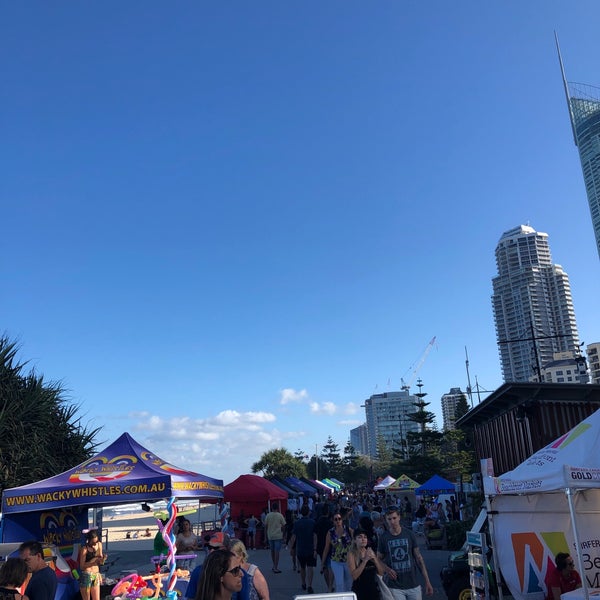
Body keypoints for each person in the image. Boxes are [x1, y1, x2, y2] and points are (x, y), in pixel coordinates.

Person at [377, 507, 433, 600]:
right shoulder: (383, 538)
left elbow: (419, 558)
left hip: (413, 584)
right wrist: (387, 569)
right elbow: (378, 559)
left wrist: (427, 581)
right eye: (389, 519)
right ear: (386, 520)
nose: (392, 521)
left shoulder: (409, 534)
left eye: (394, 518)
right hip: (395, 586)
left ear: (399, 517)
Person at [185, 532, 230, 600]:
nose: (211, 551)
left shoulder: (237, 573)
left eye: (216, 548)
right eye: (209, 547)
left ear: (226, 549)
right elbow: (191, 598)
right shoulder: (198, 571)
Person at [347, 528, 385, 600]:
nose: (363, 539)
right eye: (360, 537)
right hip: (360, 591)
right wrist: (365, 560)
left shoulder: (370, 552)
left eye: (365, 537)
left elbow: (381, 573)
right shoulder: (351, 554)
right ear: (355, 540)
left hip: (373, 591)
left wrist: (375, 559)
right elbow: (354, 576)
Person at [322, 511, 353, 593]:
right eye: (335, 519)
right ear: (333, 521)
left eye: (339, 519)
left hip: (348, 561)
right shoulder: (330, 532)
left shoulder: (348, 530)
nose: (338, 521)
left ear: (342, 520)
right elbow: (326, 548)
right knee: (339, 583)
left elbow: (355, 543)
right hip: (336, 561)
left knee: (349, 584)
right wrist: (323, 562)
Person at [289, 505, 317, 594]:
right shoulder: (312, 522)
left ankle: (303, 583)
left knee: (302, 567)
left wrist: (291, 548)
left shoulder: (297, 523)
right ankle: (310, 585)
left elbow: (293, 536)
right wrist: (315, 548)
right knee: (310, 567)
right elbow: (315, 536)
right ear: (308, 512)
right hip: (310, 548)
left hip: (300, 549)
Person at [77, 529, 105, 600]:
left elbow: (100, 559)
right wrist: (93, 563)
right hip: (87, 575)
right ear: (88, 540)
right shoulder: (84, 549)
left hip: (96, 574)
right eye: (93, 542)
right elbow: (82, 566)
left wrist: (102, 560)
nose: (94, 544)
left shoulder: (99, 545)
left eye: (96, 541)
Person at [314, 505, 334, 593]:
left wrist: (315, 548)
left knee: (325, 566)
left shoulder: (317, 522)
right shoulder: (330, 523)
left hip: (321, 546)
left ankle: (328, 586)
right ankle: (330, 586)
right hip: (330, 546)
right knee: (330, 566)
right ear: (328, 512)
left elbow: (315, 535)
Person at [263, 503, 286, 574]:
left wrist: (265, 537)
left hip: (270, 535)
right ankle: (276, 567)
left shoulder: (268, 515)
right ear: (277, 508)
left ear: (272, 508)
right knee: (277, 552)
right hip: (278, 535)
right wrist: (284, 534)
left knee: (272, 551)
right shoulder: (280, 515)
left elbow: (265, 527)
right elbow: (284, 525)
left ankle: (274, 565)